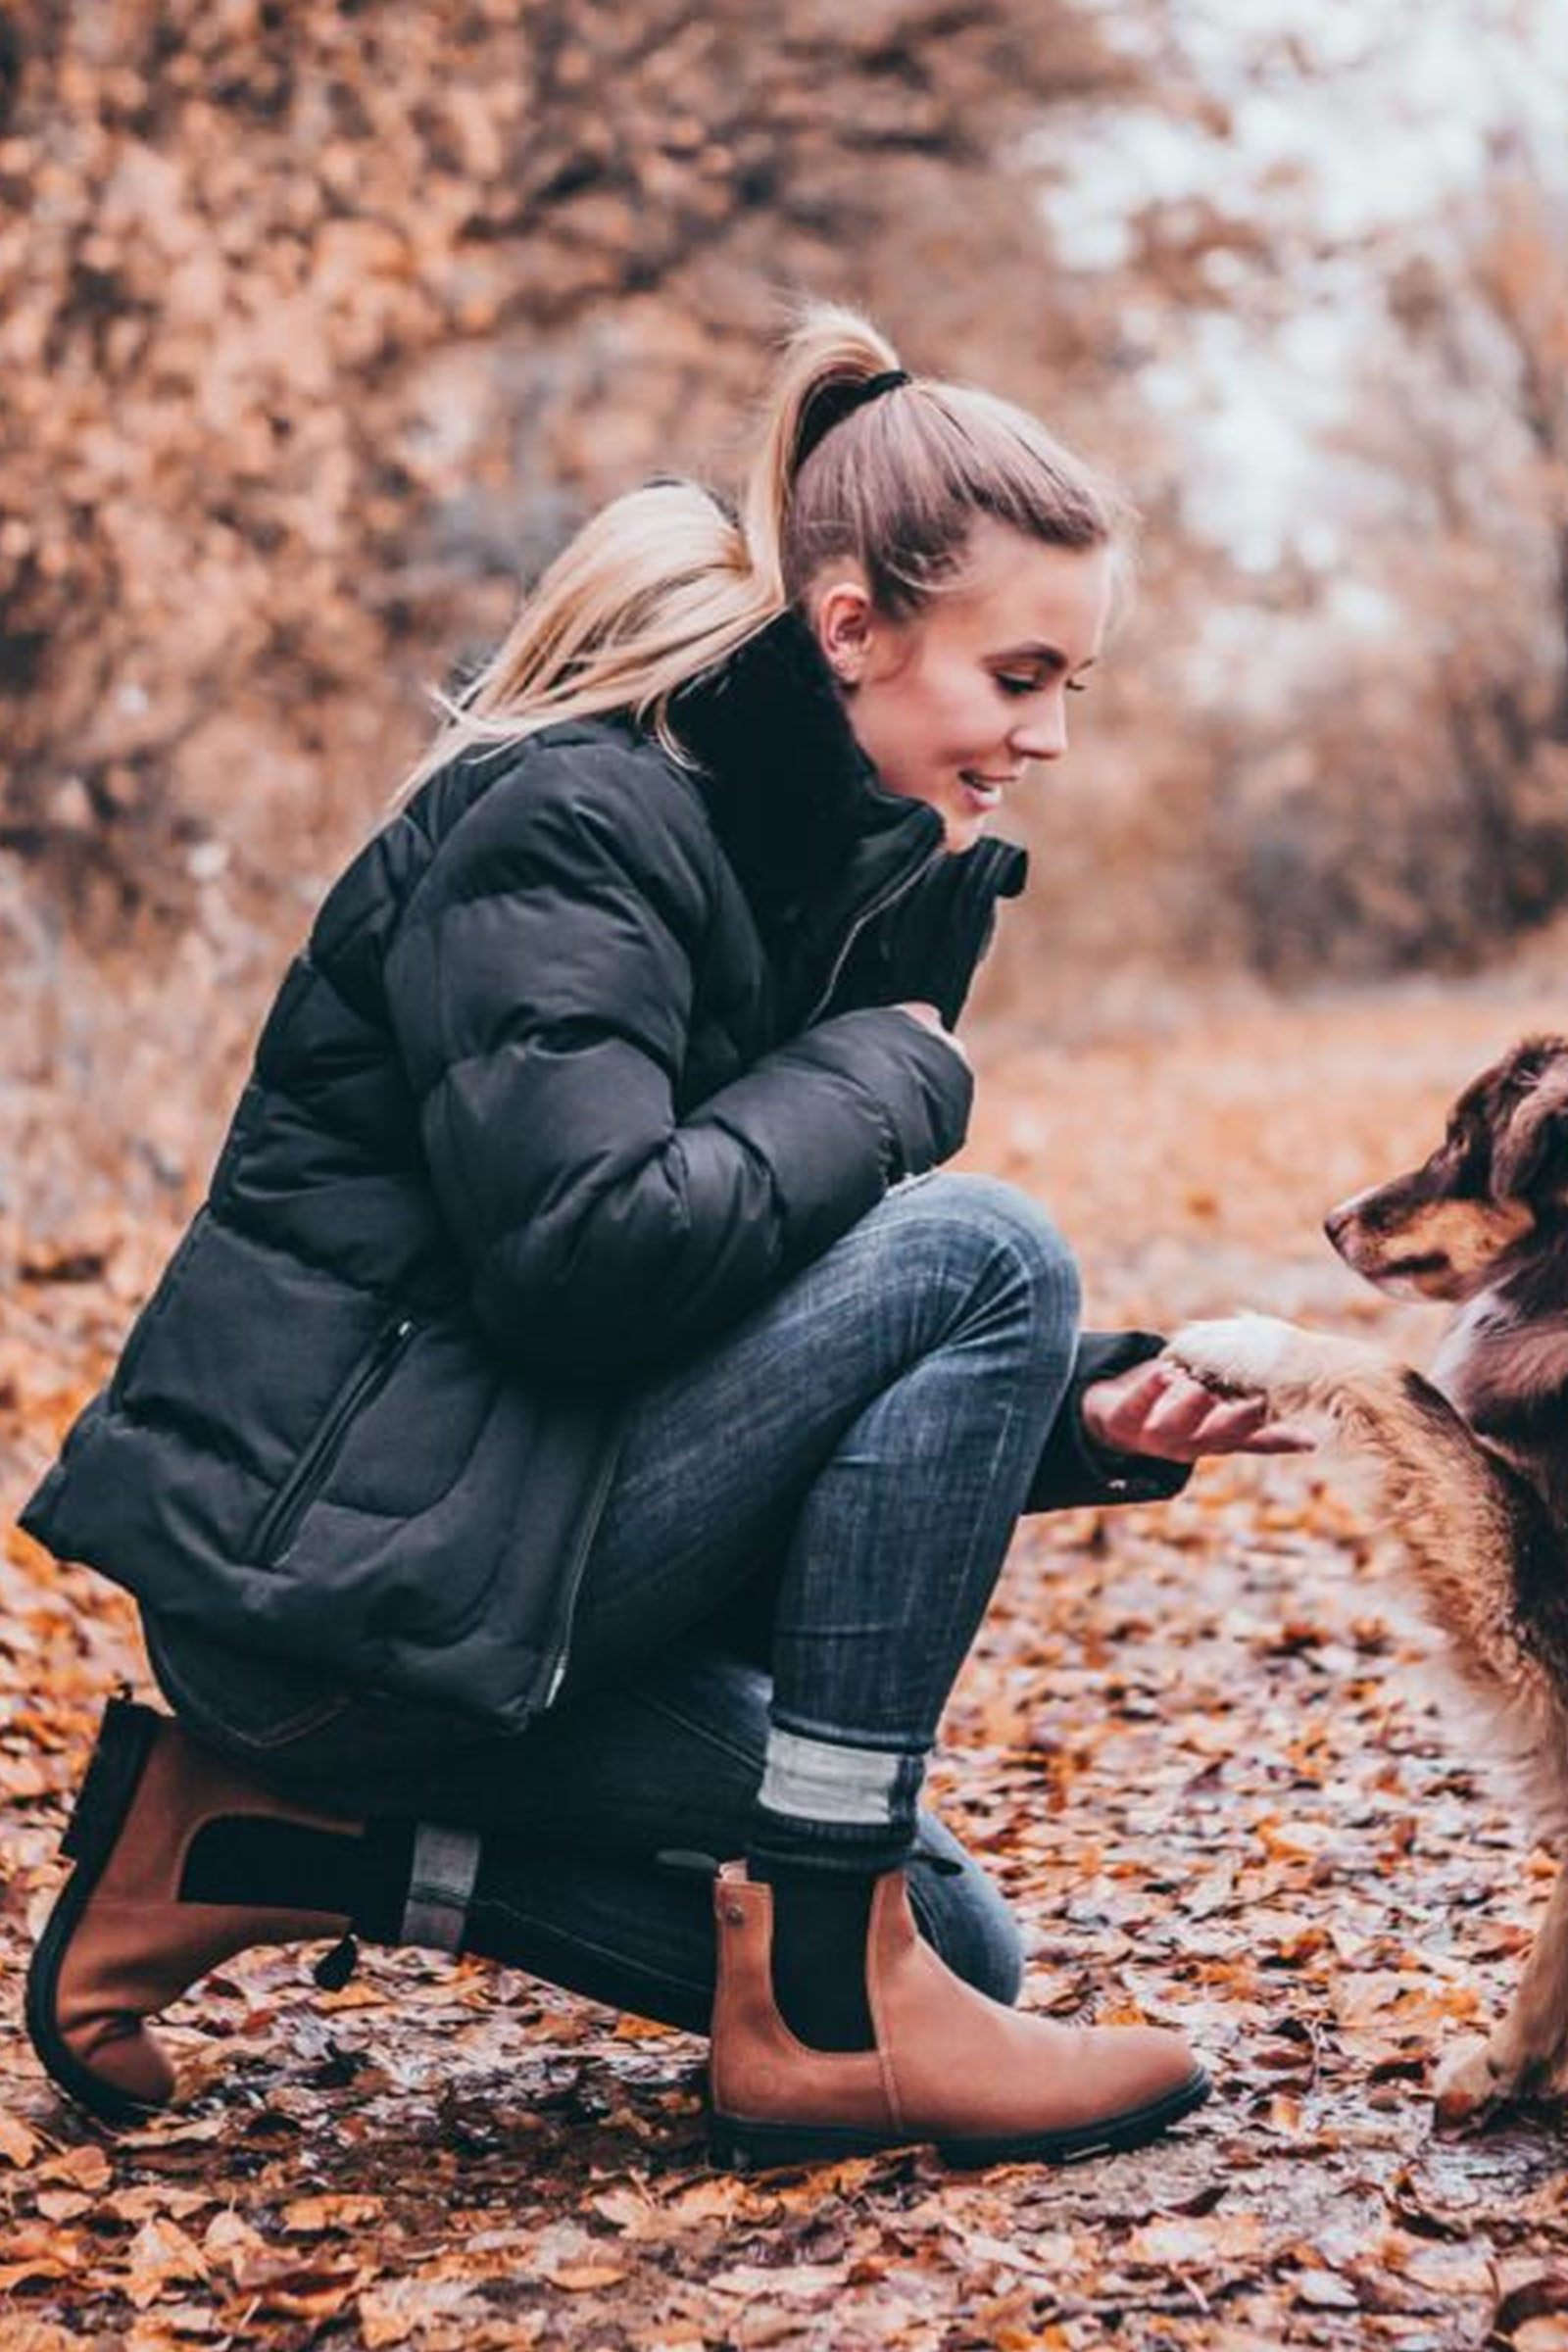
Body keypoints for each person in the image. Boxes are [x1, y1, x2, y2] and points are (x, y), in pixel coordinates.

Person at [20, 304, 1306, 2171]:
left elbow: (756, 1350)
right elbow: (590, 1262)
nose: (1042, 735)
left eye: (1069, 691)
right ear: (851, 628)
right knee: (990, 1251)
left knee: (950, 1941)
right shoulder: (574, 823)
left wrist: (1078, 1424)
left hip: (480, 1558)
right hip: (334, 1599)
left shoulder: (824, 876)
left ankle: (246, 1839)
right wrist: (886, 1075)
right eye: (1019, 674)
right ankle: (808, 1997)